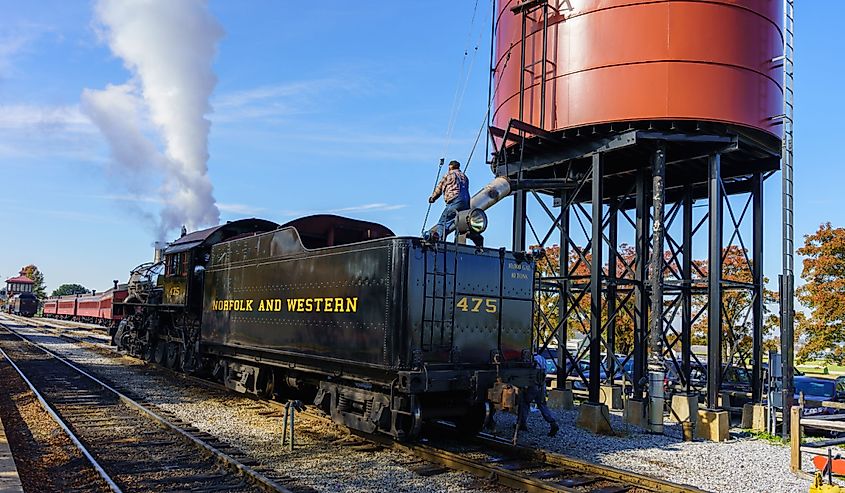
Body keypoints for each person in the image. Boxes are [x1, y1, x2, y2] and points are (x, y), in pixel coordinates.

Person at [517, 352, 559, 437]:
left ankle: (522, 423)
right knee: (542, 404)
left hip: (532, 384)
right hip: (542, 383)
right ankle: (552, 422)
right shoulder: (542, 358)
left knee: (525, 402)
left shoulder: (529, 359)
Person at [428, 160, 470, 241]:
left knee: (442, 223)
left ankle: (440, 242)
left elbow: (439, 188)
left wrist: (433, 198)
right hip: (466, 203)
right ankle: (458, 242)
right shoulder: (464, 176)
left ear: (450, 166)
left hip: (455, 201)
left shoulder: (449, 175)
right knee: (459, 222)